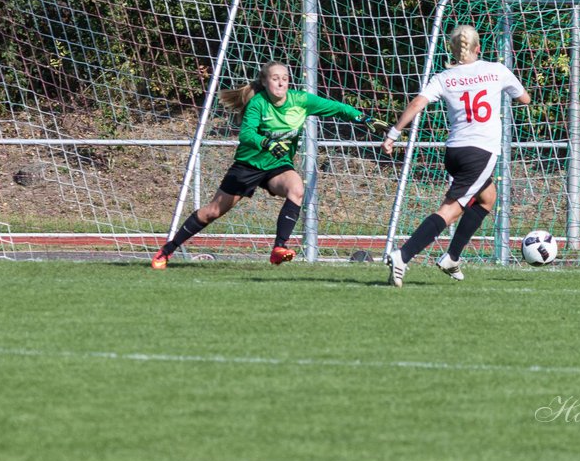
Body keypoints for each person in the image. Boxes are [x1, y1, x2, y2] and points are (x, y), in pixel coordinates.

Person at [152, 61, 386, 269]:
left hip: (278, 165)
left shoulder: (301, 100)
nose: (281, 82)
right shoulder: (258, 104)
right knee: (212, 212)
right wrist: (266, 143)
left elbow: (337, 108)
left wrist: (363, 119)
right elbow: (246, 135)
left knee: (296, 189)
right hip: (248, 165)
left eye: (284, 78)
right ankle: (167, 250)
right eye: (275, 78)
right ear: (265, 82)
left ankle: (278, 249)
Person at [380, 24, 531, 287]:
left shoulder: (444, 77)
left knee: (487, 197)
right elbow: (525, 99)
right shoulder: (496, 70)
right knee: (450, 210)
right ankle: (403, 255)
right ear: (478, 48)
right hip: (480, 153)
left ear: (452, 49)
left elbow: (417, 103)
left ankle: (452, 257)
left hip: (454, 152)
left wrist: (393, 133)